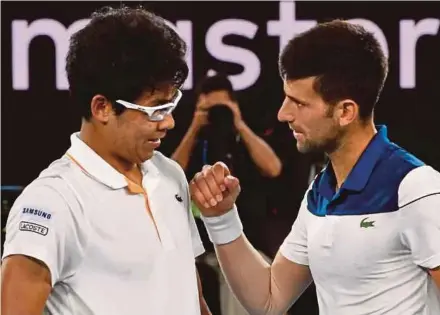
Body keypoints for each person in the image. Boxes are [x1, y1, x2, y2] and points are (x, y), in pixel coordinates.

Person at [189, 19, 440, 315]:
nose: (284, 114)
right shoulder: (319, 192)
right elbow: (269, 301)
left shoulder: (416, 187)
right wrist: (221, 218)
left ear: (345, 111)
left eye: (299, 103)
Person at [1, 6, 211, 315]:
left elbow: (190, 295)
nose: (168, 123)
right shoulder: (52, 201)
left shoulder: (170, 175)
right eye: (155, 109)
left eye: (171, 105)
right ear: (102, 108)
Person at [172, 74, 283, 256]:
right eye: (210, 108)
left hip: (248, 237)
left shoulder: (246, 136)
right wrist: (194, 128)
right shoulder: (190, 137)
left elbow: (273, 168)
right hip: (198, 240)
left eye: (222, 107)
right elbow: (171, 173)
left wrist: (238, 123)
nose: (217, 113)